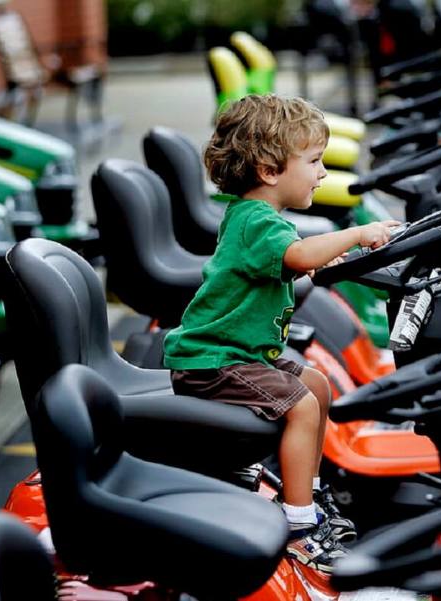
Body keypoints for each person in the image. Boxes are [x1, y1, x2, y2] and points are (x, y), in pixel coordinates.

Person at [162, 94, 398, 573]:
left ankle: (308, 493)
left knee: (317, 385)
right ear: (270, 171)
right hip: (215, 360)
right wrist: (357, 234)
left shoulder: (258, 219)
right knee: (302, 405)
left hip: (241, 354)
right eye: (314, 161)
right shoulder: (256, 220)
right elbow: (298, 255)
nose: (323, 173)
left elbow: (294, 260)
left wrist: (320, 259)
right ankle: (299, 524)